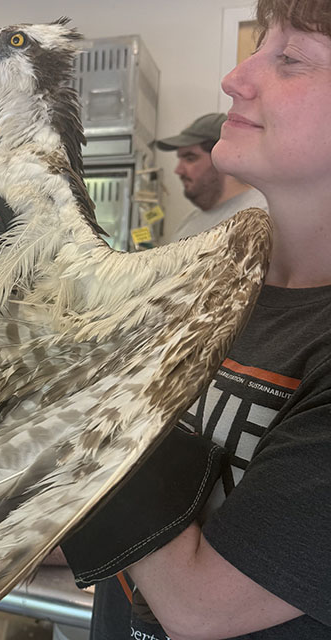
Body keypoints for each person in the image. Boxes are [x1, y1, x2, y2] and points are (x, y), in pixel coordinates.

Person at [59, 1, 331, 638]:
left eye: (291, 58)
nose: (234, 79)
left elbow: (202, 606)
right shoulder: (214, 276)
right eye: (259, 45)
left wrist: (48, 392)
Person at [156, 112, 268, 241]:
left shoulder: (261, 216)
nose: (178, 170)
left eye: (190, 158)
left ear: (224, 159)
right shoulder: (187, 225)